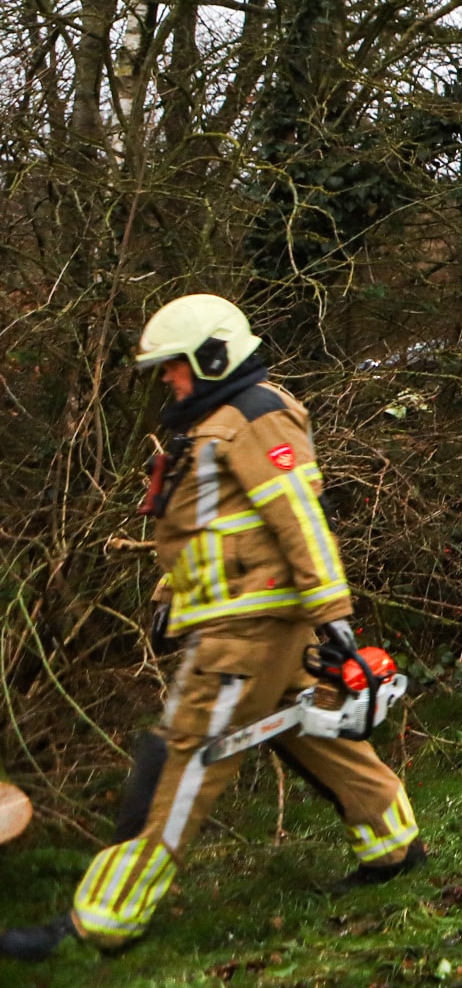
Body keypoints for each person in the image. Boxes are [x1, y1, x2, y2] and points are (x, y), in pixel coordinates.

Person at [2, 295, 424, 964]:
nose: (168, 382)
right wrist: (177, 592)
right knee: (311, 731)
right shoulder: (215, 423)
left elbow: (299, 519)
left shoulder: (254, 417)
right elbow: (211, 527)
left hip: (249, 635)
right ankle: (393, 846)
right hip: (254, 626)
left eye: (174, 369)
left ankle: (104, 921)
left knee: (182, 761)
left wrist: (336, 619)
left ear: (212, 357)